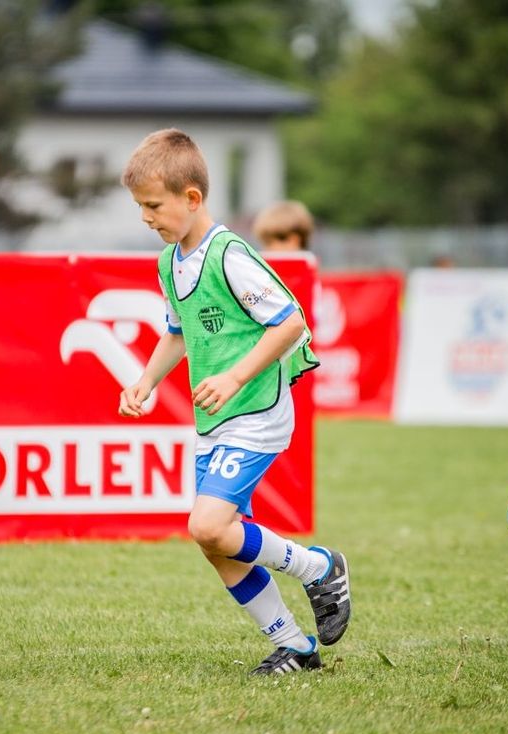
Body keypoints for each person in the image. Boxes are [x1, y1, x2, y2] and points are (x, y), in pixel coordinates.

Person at [118, 128, 351, 675]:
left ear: (192, 198)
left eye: (153, 205)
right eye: (140, 207)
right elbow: (176, 333)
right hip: (216, 420)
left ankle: (320, 567)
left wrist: (234, 375)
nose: (146, 217)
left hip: (256, 412)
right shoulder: (169, 261)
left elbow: (290, 322)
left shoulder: (229, 254)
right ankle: (296, 646)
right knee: (218, 543)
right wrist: (145, 381)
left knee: (207, 525)